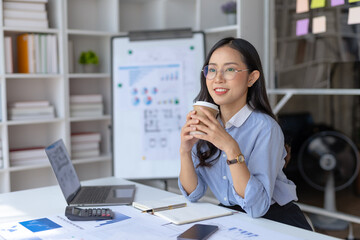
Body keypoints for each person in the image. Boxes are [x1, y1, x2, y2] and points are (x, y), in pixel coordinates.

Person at [178, 37, 312, 231]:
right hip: (232, 218)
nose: (218, 78)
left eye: (230, 69)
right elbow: (193, 193)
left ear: (252, 78)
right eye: (212, 69)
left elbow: (257, 207)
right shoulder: (207, 123)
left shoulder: (265, 128)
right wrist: (185, 150)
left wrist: (230, 148)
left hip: (275, 222)